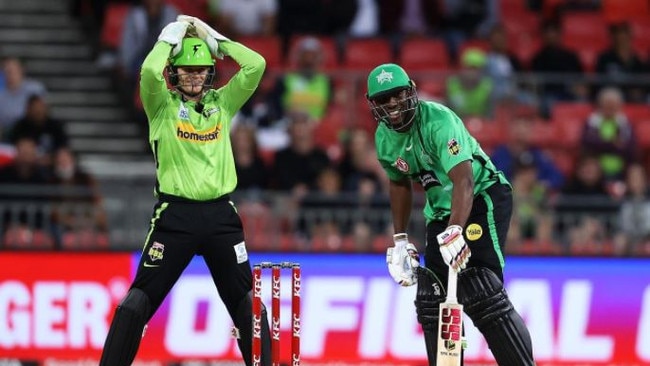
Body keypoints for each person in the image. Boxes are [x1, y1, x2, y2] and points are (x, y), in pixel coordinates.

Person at [99, 16, 271, 366]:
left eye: (200, 70)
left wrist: (216, 40)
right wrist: (169, 37)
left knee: (245, 302)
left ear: (210, 72)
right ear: (174, 73)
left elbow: (256, 65)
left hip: (222, 217)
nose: (194, 76)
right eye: (186, 70)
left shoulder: (222, 104)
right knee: (138, 300)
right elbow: (149, 73)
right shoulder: (160, 106)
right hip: (175, 217)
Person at [366, 63, 535, 365]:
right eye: (383, 99)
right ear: (373, 104)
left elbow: (464, 180)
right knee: (432, 298)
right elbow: (399, 183)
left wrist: (456, 229)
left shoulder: (439, 121)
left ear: (410, 92)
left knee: (483, 291)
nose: (392, 104)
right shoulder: (383, 139)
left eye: (397, 94)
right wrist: (400, 239)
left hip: (483, 197)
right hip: (441, 212)